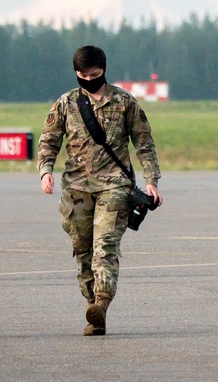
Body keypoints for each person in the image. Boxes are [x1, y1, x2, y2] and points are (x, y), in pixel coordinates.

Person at [38, 45, 163, 336]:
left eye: (94, 74)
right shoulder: (66, 103)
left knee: (104, 247)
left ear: (104, 70)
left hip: (114, 186)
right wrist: (45, 171)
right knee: (82, 251)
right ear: (76, 73)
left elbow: (144, 142)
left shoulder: (124, 102)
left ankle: (102, 304)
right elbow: (49, 140)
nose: (88, 79)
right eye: (82, 75)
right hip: (76, 188)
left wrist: (151, 180)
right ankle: (94, 309)